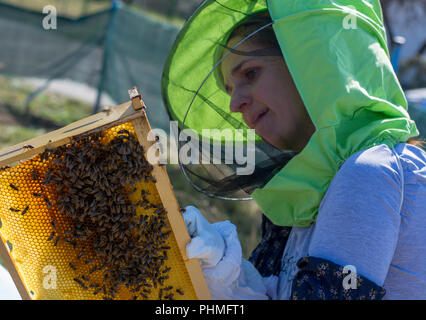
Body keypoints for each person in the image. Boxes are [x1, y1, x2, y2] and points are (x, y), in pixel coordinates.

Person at [162, 0, 426, 299]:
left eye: (250, 73)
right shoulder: (308, 196)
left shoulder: (369, 173)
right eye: (230, 90)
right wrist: (228, 278)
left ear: (312, 60)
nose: (235, 105)